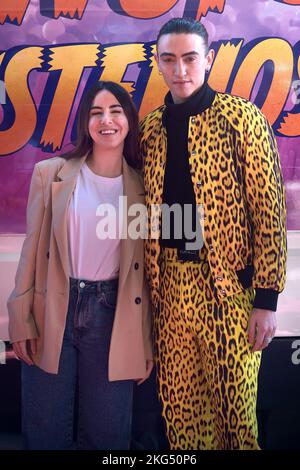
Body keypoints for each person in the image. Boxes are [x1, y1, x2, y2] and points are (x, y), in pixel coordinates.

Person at [140, 18, 287, 450]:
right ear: (159, 64)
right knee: (182, 419)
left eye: (189, 59)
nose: (180, 69)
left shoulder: (241, 119)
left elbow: (269, 213)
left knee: (238, 421)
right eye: (170, 60)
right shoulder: (149, 129)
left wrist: (266, 299)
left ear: (207, 60)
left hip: (228, 289)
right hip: (169, 290)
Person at [8, 81, 154, 450]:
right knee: (45, 432)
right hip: (52, 307)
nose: (106, 120)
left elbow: (146, 275)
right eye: (96, 112)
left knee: (109, 436)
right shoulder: (51, 173)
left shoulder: (143, 187)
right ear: (85, 123)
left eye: (116, 111)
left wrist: (145, 343)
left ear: (129, 120)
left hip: (111, 314)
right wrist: (20, 317)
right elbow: (31, 250)